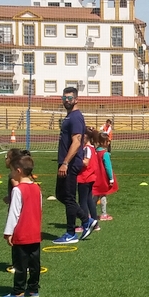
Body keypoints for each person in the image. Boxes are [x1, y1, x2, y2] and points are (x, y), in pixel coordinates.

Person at [2, 150, 43, 297]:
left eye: (12, 171)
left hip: (21, 234)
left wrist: (8, 233)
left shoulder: (18, 190)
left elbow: (14, 213)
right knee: (34, 264)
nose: (11, 174)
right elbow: (39, 210)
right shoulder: (37, 188)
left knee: (20, 265)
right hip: (34, 233)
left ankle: (18, 292)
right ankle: (33, 289)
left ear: (18, 171)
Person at [54, 86, 91, 245]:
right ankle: (86, 220)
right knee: (61, 195)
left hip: (70, 163)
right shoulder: (69, 116)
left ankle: (71, 233)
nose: (66, 101)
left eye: (69, 98)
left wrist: (65, 163)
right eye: (64, 98)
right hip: (65, 163)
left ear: (76, 99)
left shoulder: (75, 117)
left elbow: (77, 142)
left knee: (68, 198)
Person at [74, 128, 100, 237]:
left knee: (83, 201)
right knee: (89, 200)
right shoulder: (92, 148)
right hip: (91, 177)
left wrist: (75, 158)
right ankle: (95, 223)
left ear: (86, 137)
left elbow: (86, 162)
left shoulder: (87, 149)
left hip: (85, 177)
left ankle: (85, 223)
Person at [93, 132, 118, 220]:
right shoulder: (105, 154)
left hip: (96, 177)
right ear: (103, 142)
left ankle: (90, 213)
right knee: (103, 195)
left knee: (95, 195)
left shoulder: (95, 152)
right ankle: (104, 214)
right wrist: (111, 179)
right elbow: (108, 167)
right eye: (107, 142)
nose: (108, 143)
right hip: (103, 178)